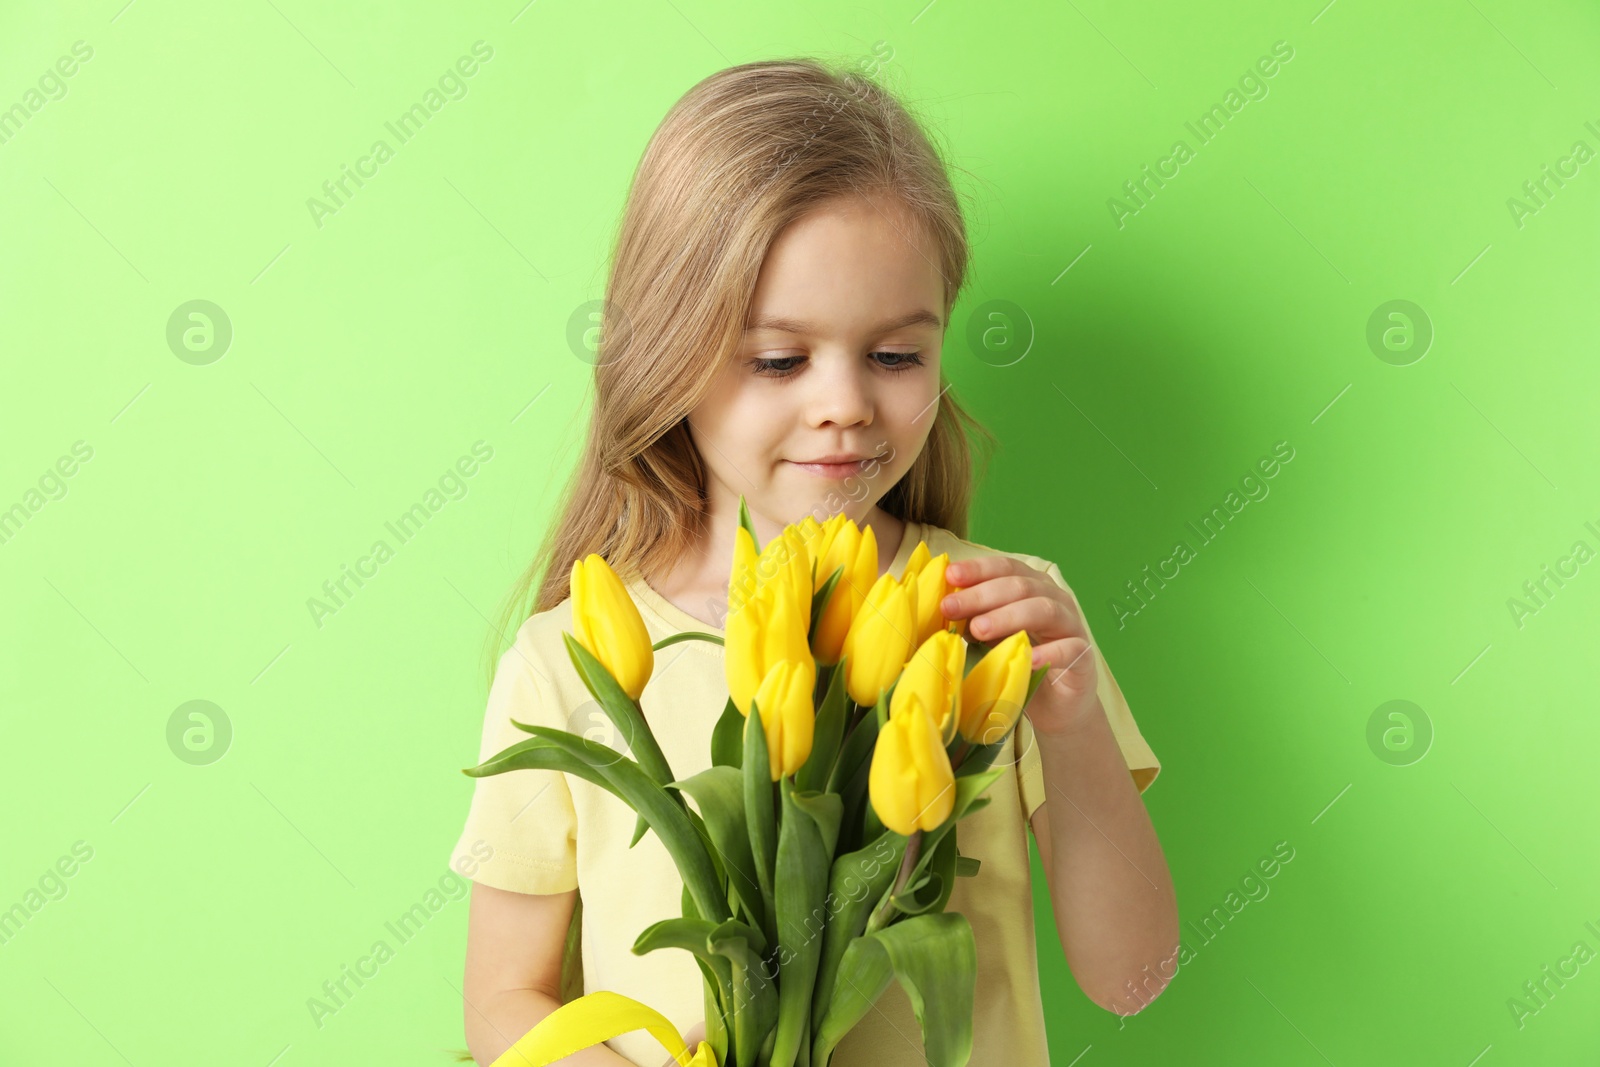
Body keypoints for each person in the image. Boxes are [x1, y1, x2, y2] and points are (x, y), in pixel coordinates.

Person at [450, 57, 1177, 1066]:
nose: (843, 403)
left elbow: (1131, 978)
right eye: (779, 358)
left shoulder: (1000, 619)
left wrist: (1075, 721)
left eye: (895, 355)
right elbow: (502, 995)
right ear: (668, 351)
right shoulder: (570, 654)